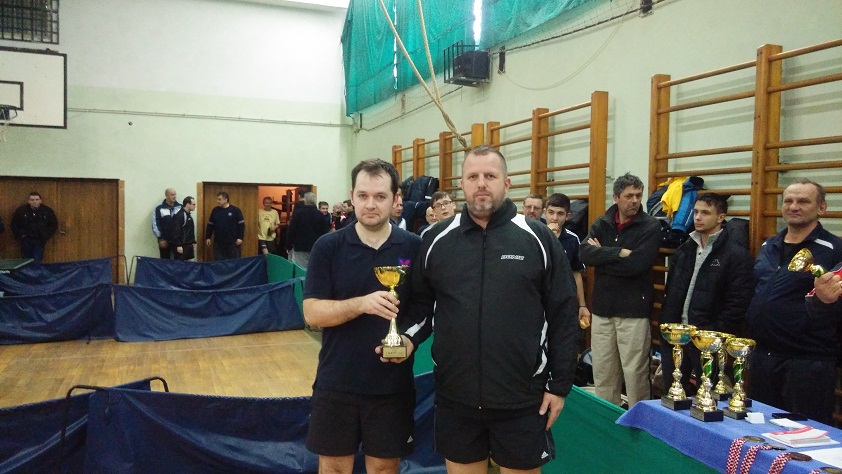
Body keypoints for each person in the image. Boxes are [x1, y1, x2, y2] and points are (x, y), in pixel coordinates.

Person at [400, 145, 579, 473]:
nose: (481, 183)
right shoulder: (437, 238)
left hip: (522, 397)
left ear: (507, 183)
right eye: (473, 176)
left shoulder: (538, 238)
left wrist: (559, 385)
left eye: (490, 176)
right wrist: (406, 338)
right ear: (462, 185)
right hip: (456, 396)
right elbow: (423, 304)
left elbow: (563, 313)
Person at [303, 159, 421, 474]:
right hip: (336, 382)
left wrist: (409, 340)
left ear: (396, 198)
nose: (371, 204)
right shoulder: (328, 247)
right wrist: (361, 304)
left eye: (380, 196)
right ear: (352, 196)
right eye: (363, 195)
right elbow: (312, 313)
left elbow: (424, 309)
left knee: (384, 469)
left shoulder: (414, 247)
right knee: (334, 469)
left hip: (392, 386)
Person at [747, 179, 842, 424]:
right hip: (763, 356)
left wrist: (824, 302)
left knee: (803, 436)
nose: (793, 206)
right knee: (759, 432)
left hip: (806, 362)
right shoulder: (769, 245)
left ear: (822, 208)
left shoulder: (834, 250)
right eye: (788, 201)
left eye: (803, 201)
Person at [580, 172, 661, 409]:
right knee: (604, 371)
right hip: (603, 310)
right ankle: (607, 419)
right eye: (629, 196)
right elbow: (584, 254)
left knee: (635, 373)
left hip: (633, 311)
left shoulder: (650, 226)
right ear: (616, 198)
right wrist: (619, 253)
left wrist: (602, 255)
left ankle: (639, 420)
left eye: (638, 195)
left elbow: (637, 265)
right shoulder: (602, 222)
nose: (635, 200)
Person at [658, 193, 754, 393]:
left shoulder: (735, 255)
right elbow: (671, 292)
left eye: (705, 213)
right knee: (672, 393)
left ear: (720, 217)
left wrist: (713, 333)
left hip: (708, 339)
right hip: (677, 337)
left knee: (708, 397)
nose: (698, 217)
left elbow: (738, 303)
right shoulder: (684, 250)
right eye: (695, 212)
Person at [545, 193, 591, 329]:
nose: (554, 218)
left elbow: (576, 273)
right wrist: (548, 237)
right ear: (544, 213)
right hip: (539, 299)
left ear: (567, 216)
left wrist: (582, 305)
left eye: (560, 214)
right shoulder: (534, 236)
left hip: (563, 300)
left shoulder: (572, 239)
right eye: (551, 212)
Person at [10, 191, 58, 263]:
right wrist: (21, 235)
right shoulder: (21, 211)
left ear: (40, 201)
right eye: (32, 200)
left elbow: (53, 224)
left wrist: (45, 235)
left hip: (39, 239)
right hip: (26, 239)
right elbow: (14, 224)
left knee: (37, 259)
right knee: (25, 261)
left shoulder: (47, 211)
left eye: (36, 199)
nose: (34, 202)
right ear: (28, 201)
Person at [286, 192, 330, 268]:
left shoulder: (298, 213)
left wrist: (288, 245)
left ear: (305, 201)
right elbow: (324, 232)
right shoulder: (320, 215)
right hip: (315, 246)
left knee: (301, 269)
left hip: (300, 246)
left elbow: (292, 230)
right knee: (314, 267)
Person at [204, 191, 245, 261]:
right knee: (219, 262)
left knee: (233, 262)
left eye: (219, 199)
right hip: (218, 242)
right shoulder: (215, 210)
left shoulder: (235, 210)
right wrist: (208, 237)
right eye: (217, 199)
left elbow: (241, 225)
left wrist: (240, 238)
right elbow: (210, 225)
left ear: (226, 200)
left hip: (233, 242)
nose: (217, 201)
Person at [152, 188, 181, 259]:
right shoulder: (159, 208)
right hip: (164, 240)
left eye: (175, 194)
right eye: (172, 195)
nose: (174, 196)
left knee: (179, 262)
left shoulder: (180, 207)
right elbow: (155, 224)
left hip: (178, 241)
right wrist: (161, 239)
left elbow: (184, 224)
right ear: (166, 195)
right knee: (164, 262)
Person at [171, 196, 197, 261]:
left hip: (189, 245)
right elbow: (176, 231)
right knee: (181, 265)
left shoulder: (188, 215)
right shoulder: (180, 215)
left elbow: (190, 230)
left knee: (190, 265)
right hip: (182, 246)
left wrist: (193, 242)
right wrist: (178, 245)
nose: (195, 206)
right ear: (188, 204)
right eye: (193, 204)